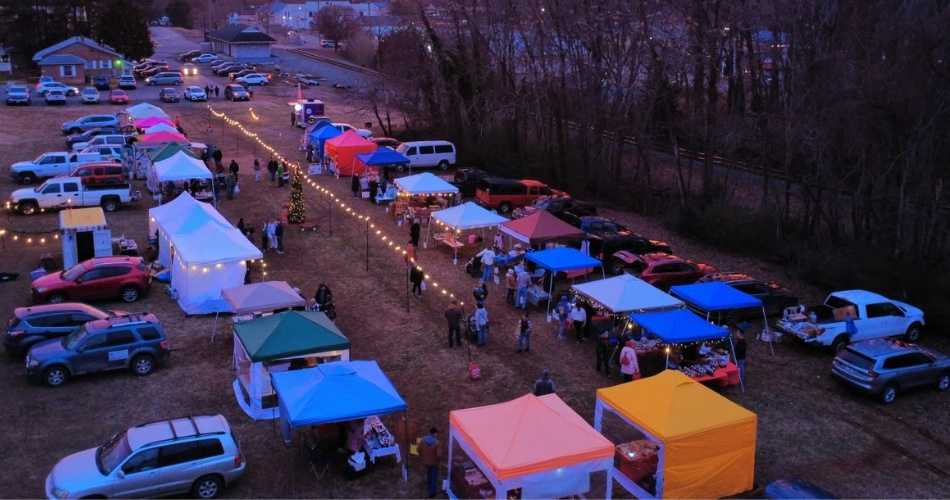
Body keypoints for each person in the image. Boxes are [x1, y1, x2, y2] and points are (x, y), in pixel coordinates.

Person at [418, 427, 443, 498]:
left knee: (428, 473)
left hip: (425, 461)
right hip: (434, 463)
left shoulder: (423, 440)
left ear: (429, 433)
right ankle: (432, 493)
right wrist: (439, 459)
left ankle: (428, 486)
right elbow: (439, 455)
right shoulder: (437, 443)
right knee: (434, 477)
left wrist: (423, 456)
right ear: (435, 434)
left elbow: (418, 449)